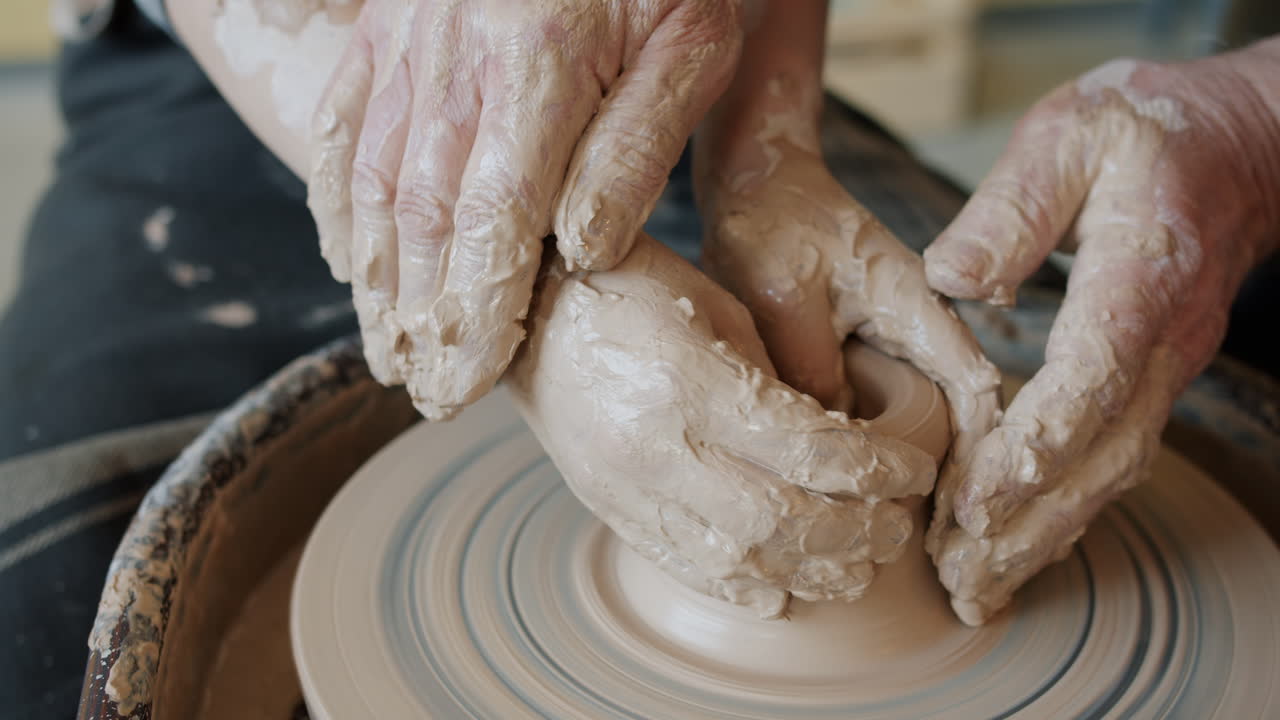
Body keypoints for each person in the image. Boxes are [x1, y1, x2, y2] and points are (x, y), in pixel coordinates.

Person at [0, 0, 1276, 715]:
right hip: (257, 51)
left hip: (675, 58)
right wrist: (529, 292)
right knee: (38, 625)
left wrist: (766, 140)